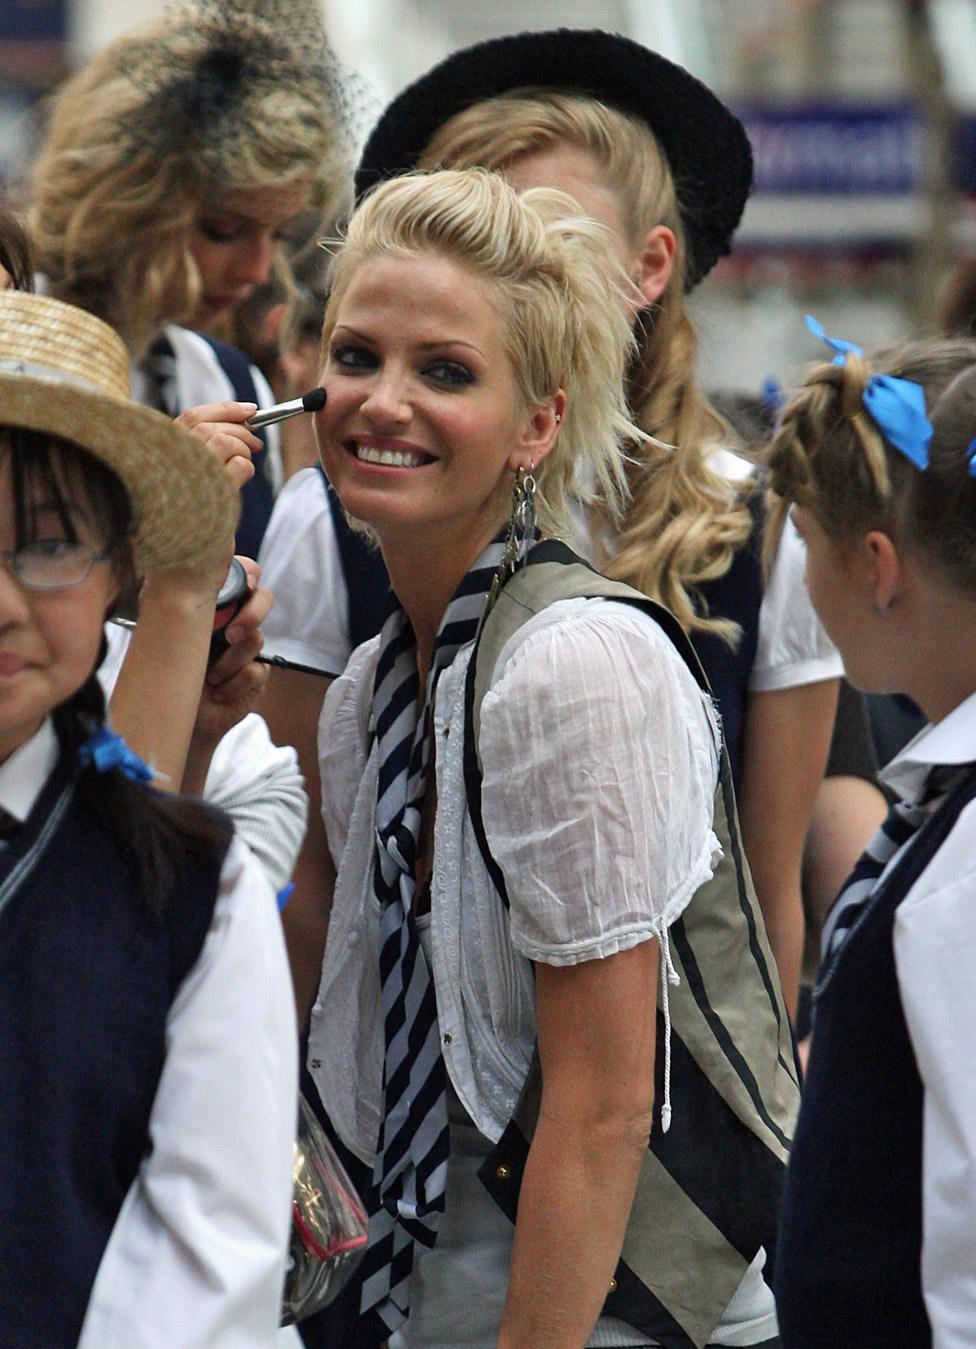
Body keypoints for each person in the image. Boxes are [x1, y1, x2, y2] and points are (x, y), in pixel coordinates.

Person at [304, 166, 798, 1348]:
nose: (382, 400)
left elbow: (602, 1105)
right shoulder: (372, 685)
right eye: (356, 355)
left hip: (604, 1294)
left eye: (446, 371)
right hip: (428, 1277)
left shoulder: (571, 663)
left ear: (538, 425)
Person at [264, 29, 841, 1019]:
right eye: (466, 219)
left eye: (544, 226)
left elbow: (765, 896)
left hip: (665, 1118)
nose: (497, 259)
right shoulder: (330, 514)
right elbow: (306, 877)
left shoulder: (759, 524)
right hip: (396, 1100)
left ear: (650, 265)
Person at [0, 288, 297, 1346]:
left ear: (122, 563)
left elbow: (210, 1250)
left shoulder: (191, 887)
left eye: (46, 545)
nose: (3, 600)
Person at [765, 326, 976, 1346]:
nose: (802, 583)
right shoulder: (946, 804)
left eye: (805, 545)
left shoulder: (962, 872)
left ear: (878, 565)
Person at [28, 0, 352, 558]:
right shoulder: (17, 349)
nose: (256, 271)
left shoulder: (229, 384)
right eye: (225, 230)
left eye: (277, 235)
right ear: (125, 205)